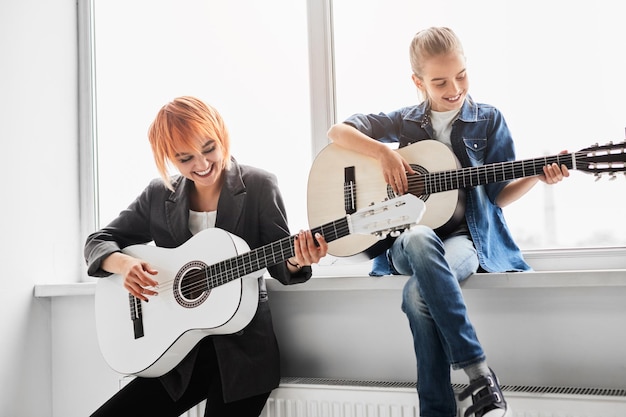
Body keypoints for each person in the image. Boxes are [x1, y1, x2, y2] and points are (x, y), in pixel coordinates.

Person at [327, 27, 569, 417]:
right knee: (421, 236)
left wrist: (538, 175)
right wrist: (384, 155)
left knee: (415, 296)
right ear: (417, 82)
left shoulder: (488, 120)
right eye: (439, 81)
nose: (454, 88)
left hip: (465, 241)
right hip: (407, 243)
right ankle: (479, 374)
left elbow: (497, 195)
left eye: (461, 75)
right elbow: (337, 132)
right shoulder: (404, 123)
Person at [85, 96, 328, 417]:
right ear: (168, 158)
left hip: (242, 357)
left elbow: (280, 262)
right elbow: (97, 241)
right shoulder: (158, 196)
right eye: (185, 158)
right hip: (175, 356)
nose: (201, 164)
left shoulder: (259, 185)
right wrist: (124, 264)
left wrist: (298, 259)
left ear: (221, 134)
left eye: (209, 148)